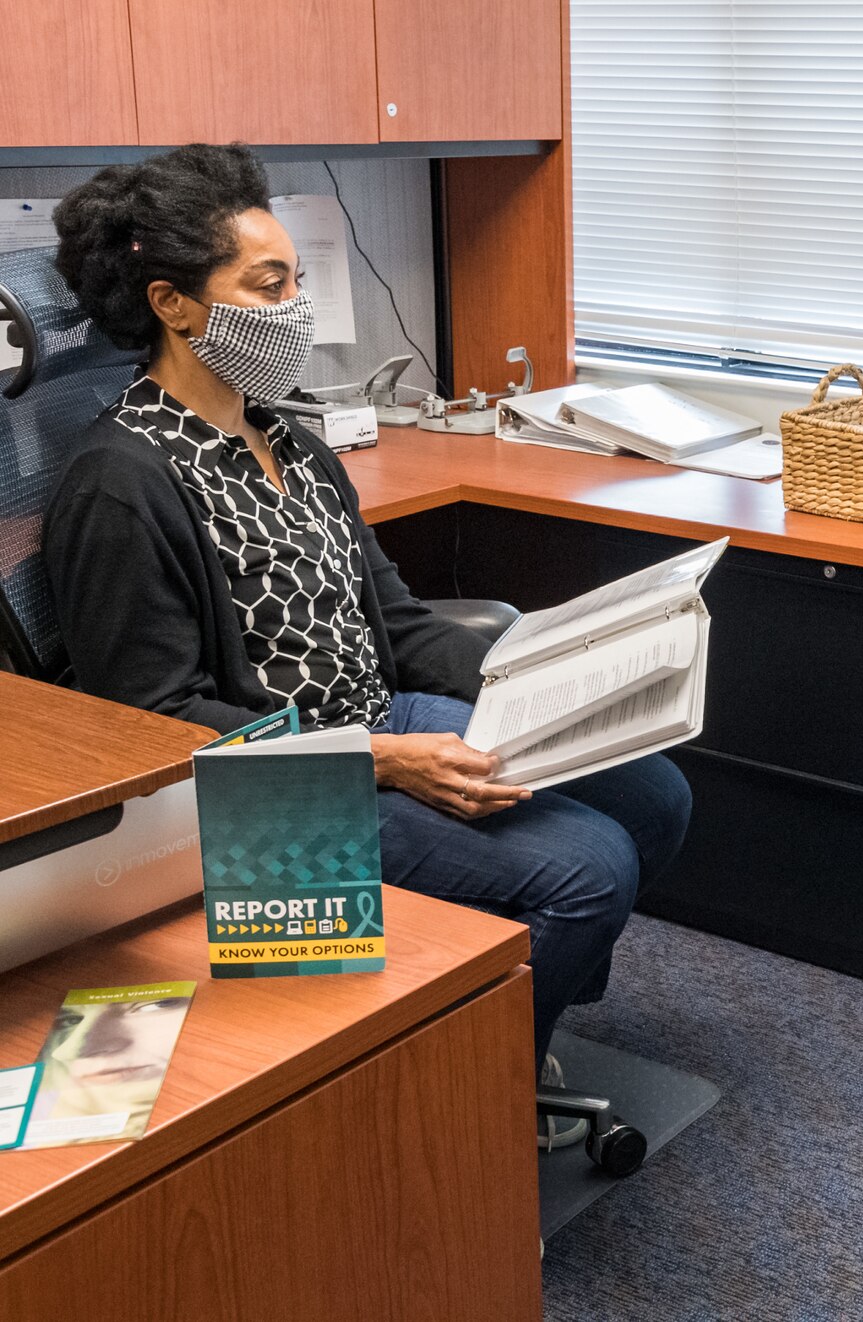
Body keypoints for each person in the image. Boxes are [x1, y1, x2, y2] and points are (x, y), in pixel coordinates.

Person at [40, 144, 691, 1138]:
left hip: (377, 720)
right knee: (587, 867)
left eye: (296, 277)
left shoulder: (287, 440)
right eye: (270, 284)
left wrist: (560, 669)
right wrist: (385, 761)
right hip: (271, 796)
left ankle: (504, 1008)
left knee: (650, 791)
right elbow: (155, 725)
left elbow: (393, 620)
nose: (295, 305)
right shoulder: (119, 484)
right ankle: (467, 1091)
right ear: (174, 304)